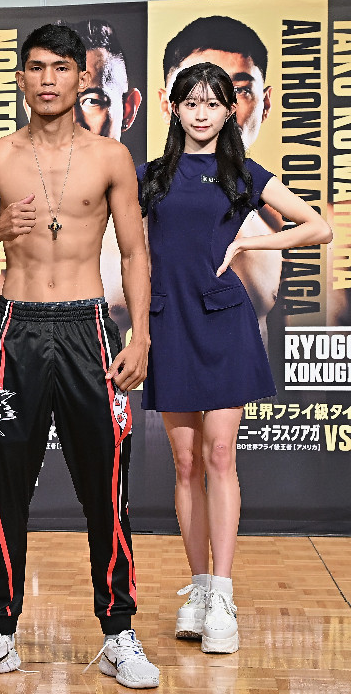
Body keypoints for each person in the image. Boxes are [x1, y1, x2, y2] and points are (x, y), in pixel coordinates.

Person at [0, 24, 158, 689]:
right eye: (36, 67)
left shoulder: (110, 157)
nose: (48, 79)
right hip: (15, 329)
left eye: (61, 67)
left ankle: (119, 633)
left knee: (107, 489)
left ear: (81, 77)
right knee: (4, 488)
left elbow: (134, 252)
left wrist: (141, 336)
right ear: (20, 77)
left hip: (88, 330)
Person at [139, 62, 331, 654]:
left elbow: (318, 228)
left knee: (220, 454)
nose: (201, 113)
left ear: (229, 112)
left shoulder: (243, 174)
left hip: (223, 321)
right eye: (190, 102)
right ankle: (199, 589)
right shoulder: (149, 177)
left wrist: (253, 239)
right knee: (185, 463)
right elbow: (125, 246)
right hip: (169, 322)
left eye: (213, 103)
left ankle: (223, 594)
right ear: (173, 108)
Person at [0, 18, 142, 334]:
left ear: (129, 109)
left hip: (93, 340)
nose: (72, 117)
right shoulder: (3, 169)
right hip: (22, 332)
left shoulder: (152, 212)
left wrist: (141, 340)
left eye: (92, 101)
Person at [159, 16, 281, 345]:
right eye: (194, 94)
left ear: (265, 103)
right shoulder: (142, 193)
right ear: (169, 106)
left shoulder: (274, 213)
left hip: (243, 375)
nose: (218, 109)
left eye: (239, 90)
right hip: (173, 370)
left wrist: (245, 244)